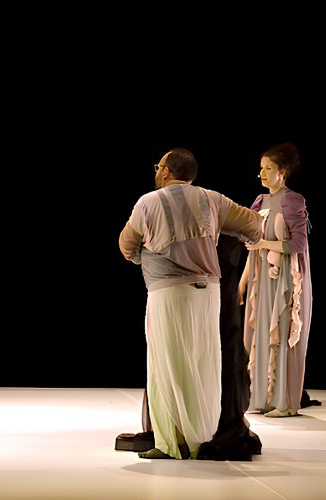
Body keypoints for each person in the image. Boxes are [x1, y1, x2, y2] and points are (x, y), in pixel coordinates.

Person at [118, 149, 261, 459]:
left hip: (168, 293)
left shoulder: (148, 202)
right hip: (208, 293)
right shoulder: (212, 199)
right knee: (203, 365)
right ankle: (199, 439)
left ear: (167, 172)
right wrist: (219, 234)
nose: (156, 171)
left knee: (166, 366)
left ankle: (170, 443)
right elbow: (254, 225)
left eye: (158, 167)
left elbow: (126, 246)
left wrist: (148, 257)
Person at [239, 143, 312, 418]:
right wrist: (243, 281)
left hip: (285, 280)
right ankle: (261, 397)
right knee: (260, 332)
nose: (263, 173)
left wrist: (263, 245)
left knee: (282, 332)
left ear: (282, 172)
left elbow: (298, 244)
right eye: (261, 168)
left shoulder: (292, 200)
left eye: (268, 169)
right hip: (262, 278)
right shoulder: (259, 201)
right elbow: (251, 243)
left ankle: (284, 401)